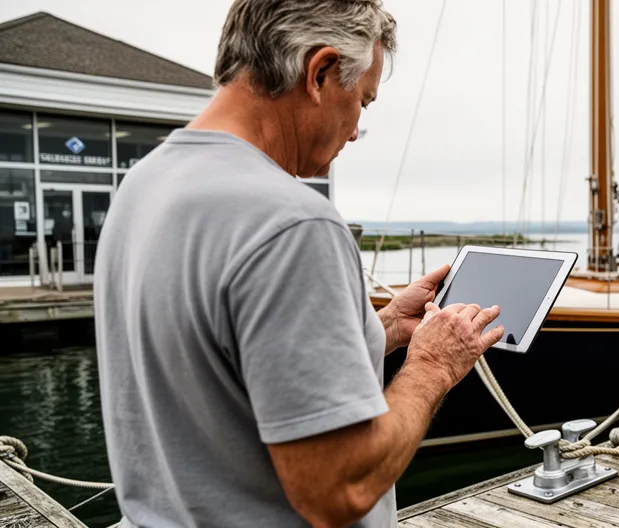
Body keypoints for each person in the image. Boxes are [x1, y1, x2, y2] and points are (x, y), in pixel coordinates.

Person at [93, 1, 503, 527]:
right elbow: (339, 487)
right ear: (321, 72)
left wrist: (382, 329)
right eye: (362, 101)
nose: (355, 130)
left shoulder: (144, 187)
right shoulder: (293, 224)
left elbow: (223, 365)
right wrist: (433, 365)